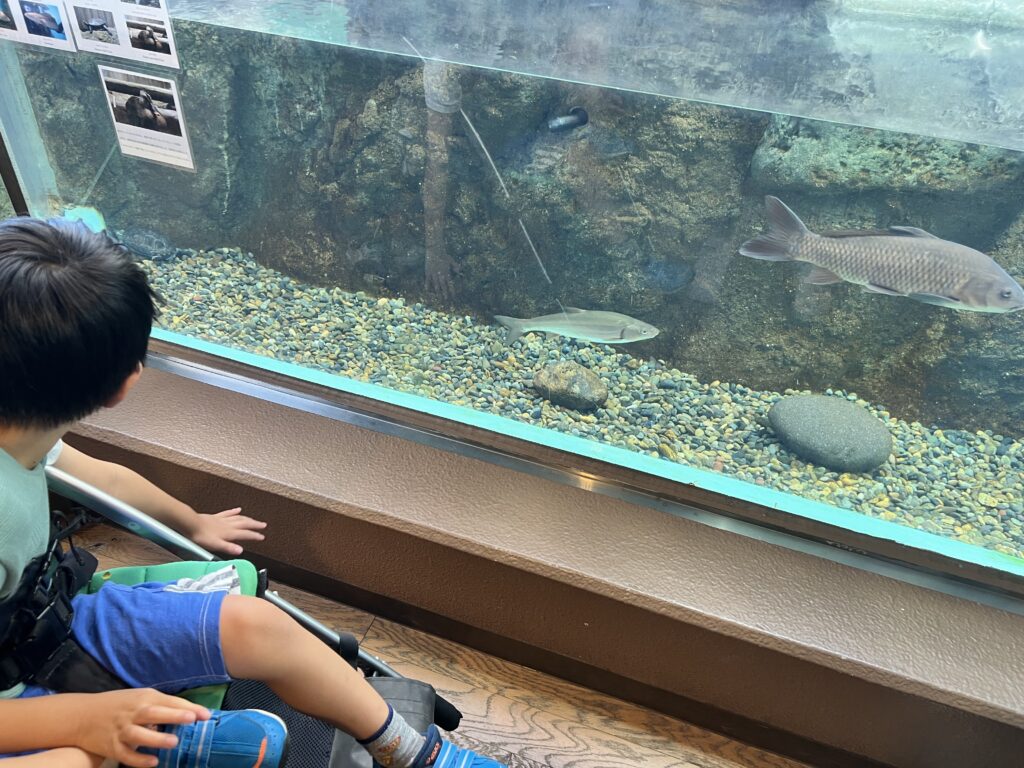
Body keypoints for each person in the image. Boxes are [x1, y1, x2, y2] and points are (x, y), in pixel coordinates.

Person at [0, 216, 508, 768]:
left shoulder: (24, 432)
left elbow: (105, 477)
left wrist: (194, 523)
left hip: (48, 619)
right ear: (125, 385)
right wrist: (86, 723)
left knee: (260, 625)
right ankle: (148, 740)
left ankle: (412, 751)